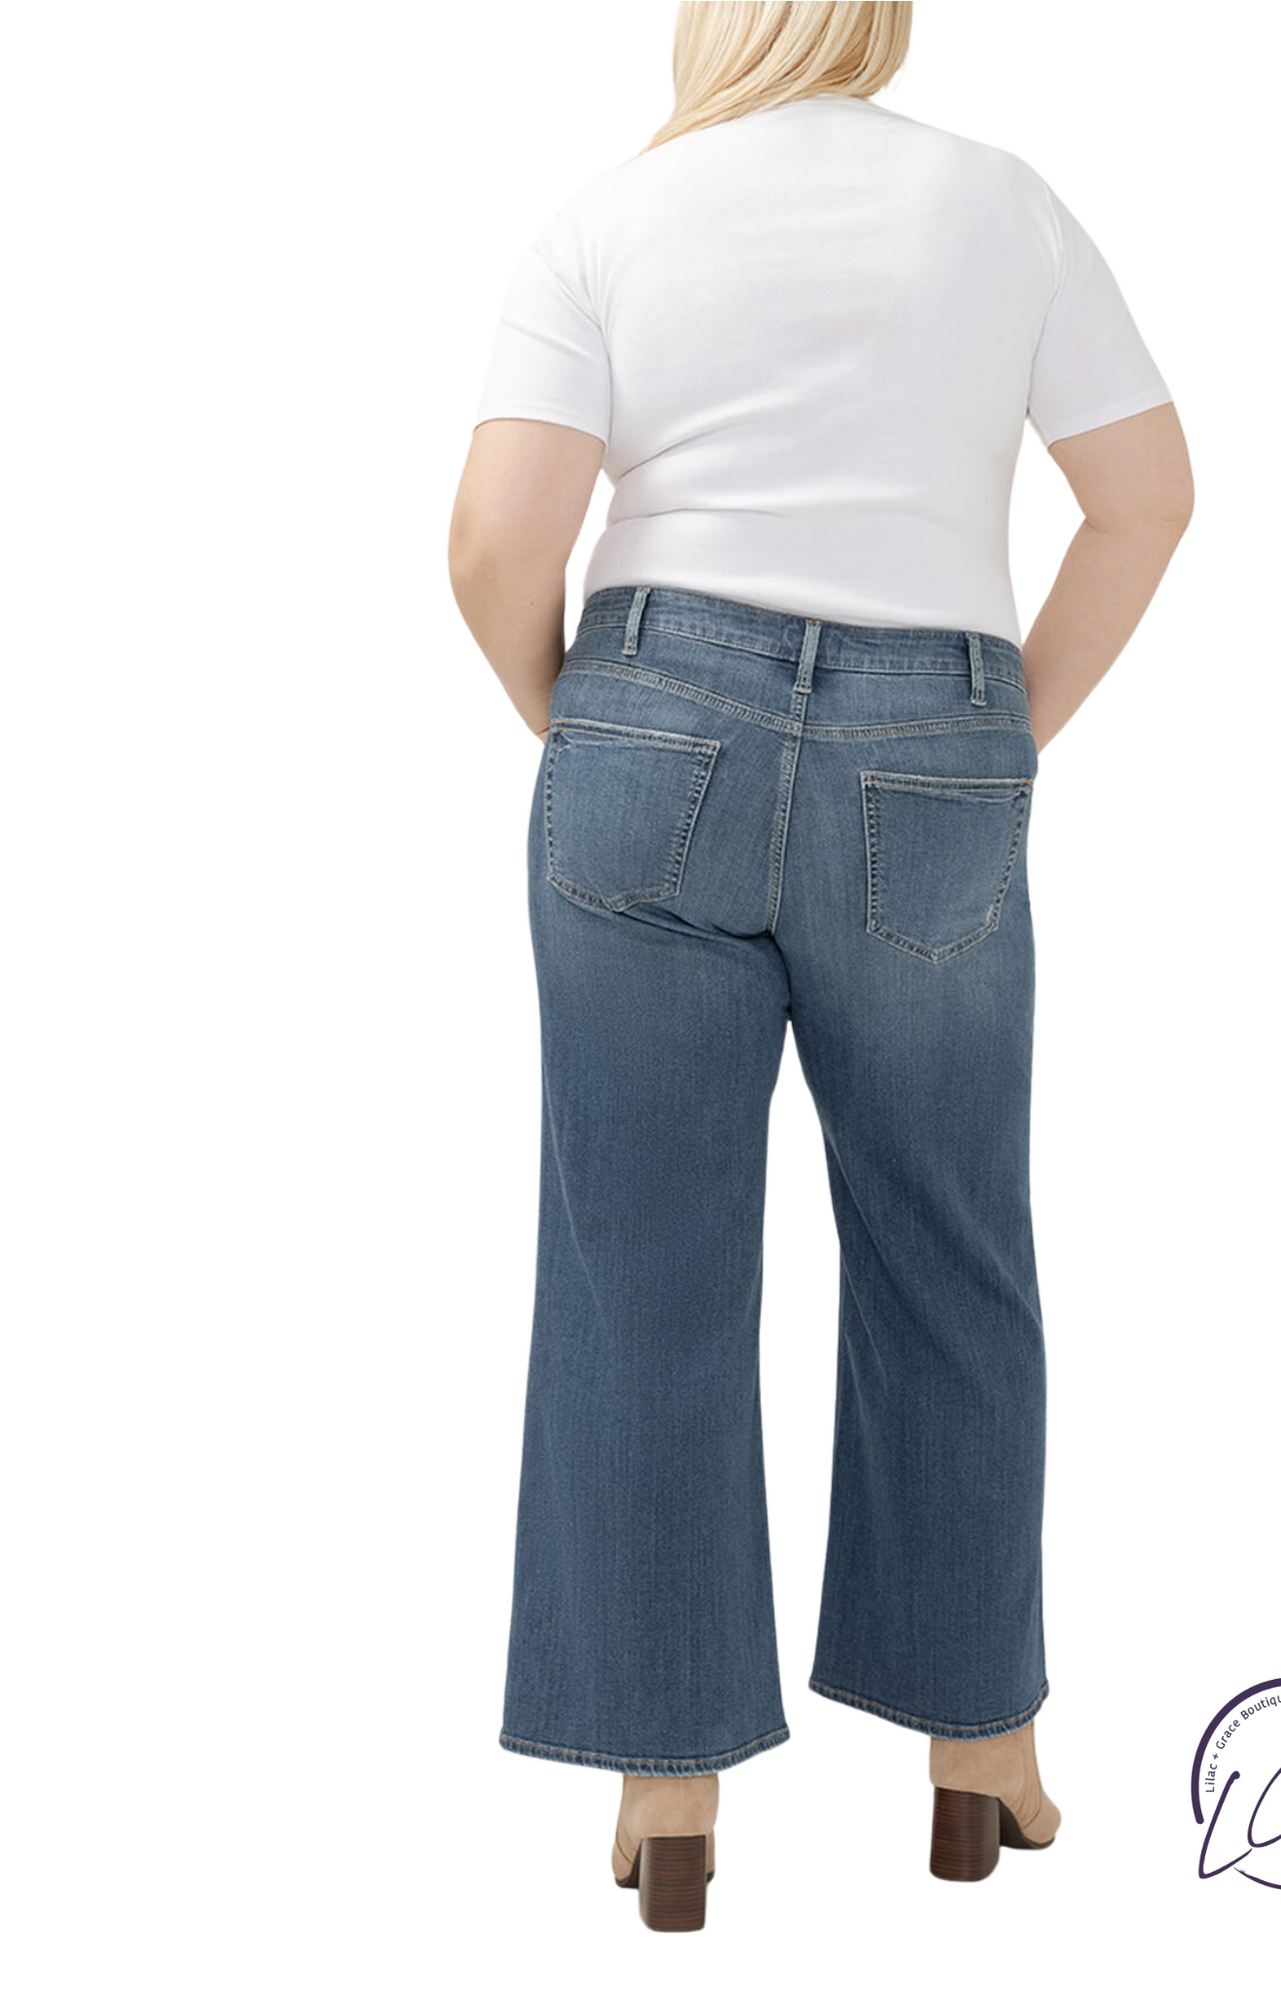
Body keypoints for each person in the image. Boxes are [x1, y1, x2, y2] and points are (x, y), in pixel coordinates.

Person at [449, 0, 1192, 1932]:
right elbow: (1147, 499)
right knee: (952, 1243)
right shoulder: (1003, 205)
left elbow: (496, 544)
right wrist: (998, 732)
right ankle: (983, 1758)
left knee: (640, 1268)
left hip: (647, 723)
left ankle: (668, 1791)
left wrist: (586, 728)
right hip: (933, 734)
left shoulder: (612, 217)